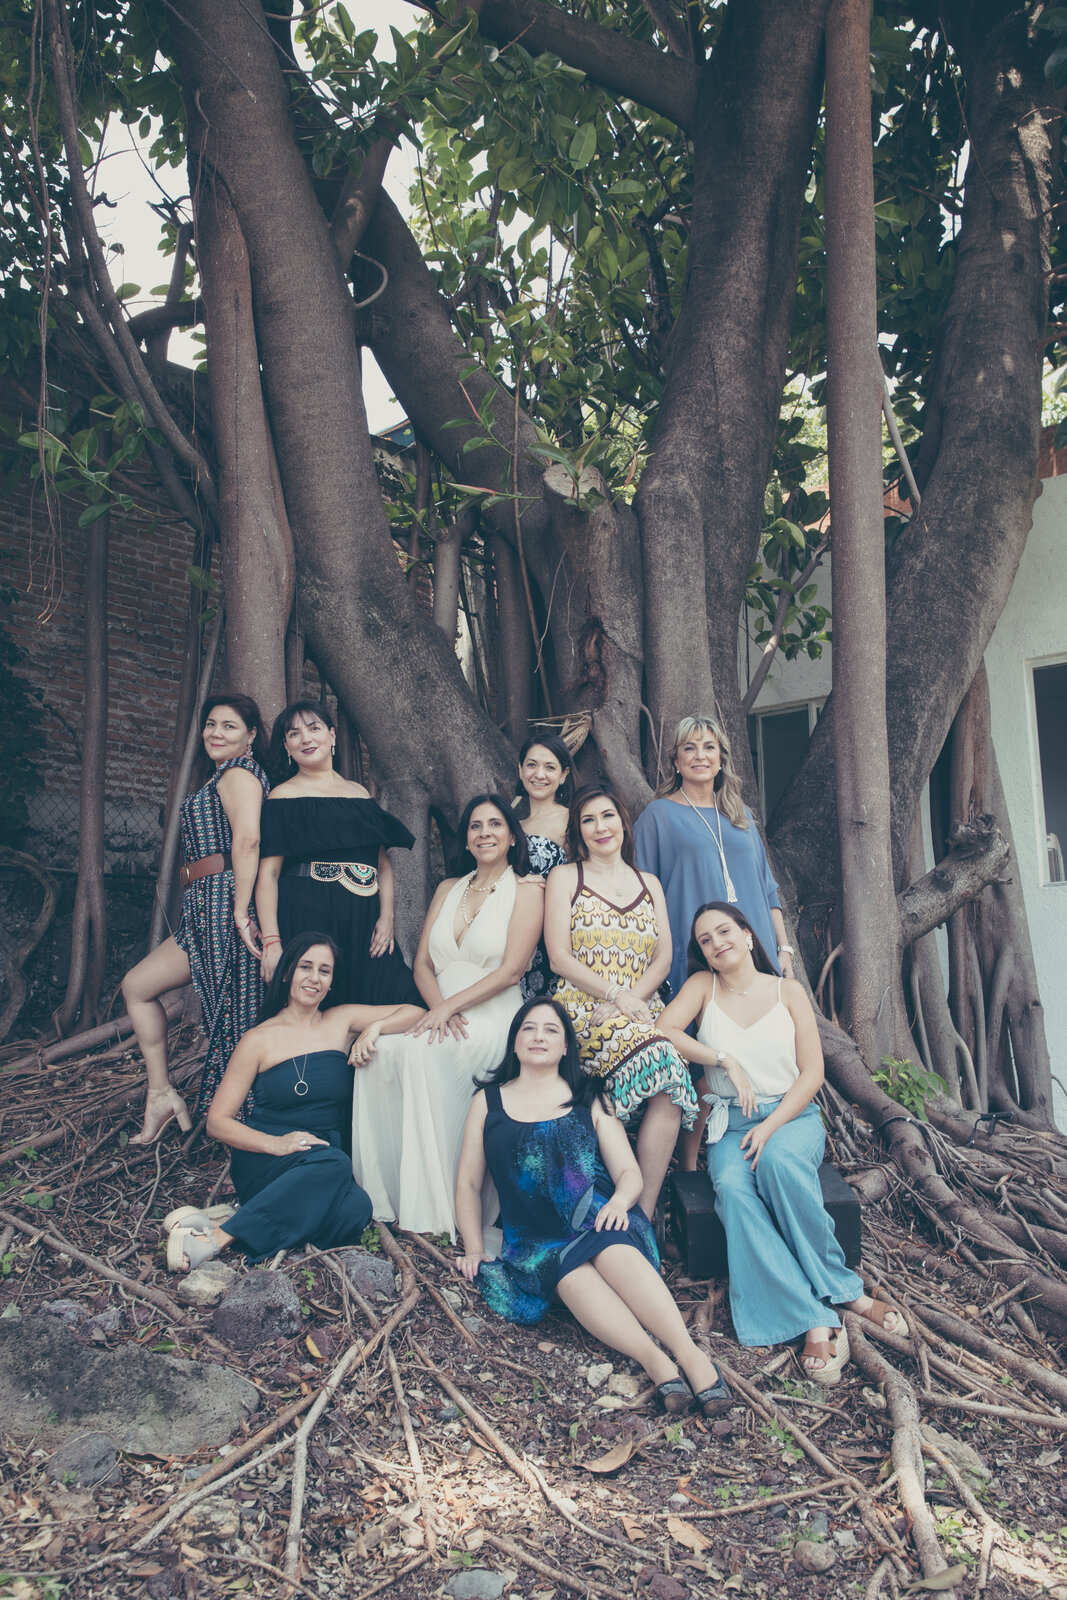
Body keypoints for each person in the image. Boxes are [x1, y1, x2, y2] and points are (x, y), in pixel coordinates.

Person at [659, 903, 908, 1384]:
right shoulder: (701, 988)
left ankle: (845, 1290)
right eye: (705, 940)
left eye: (724, 931)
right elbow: (663, 1030)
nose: (717, 943)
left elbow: (812, 1074)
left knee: (776, 1164)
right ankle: (810, 1315)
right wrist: (722, 1059)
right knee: (731, 1187)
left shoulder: (787, 991)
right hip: (732, 1122)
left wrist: (770, 1127)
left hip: (792, 1116)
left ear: (749, 936)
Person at [454, 998, 732, 1417]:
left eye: (550, 1030)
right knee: (569, 1276)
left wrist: (621, 1202)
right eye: (528, 1028)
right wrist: (474, 1247)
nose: (538, 1037)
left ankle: (689, 1356)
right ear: (514, 1043)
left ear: (566, 1046)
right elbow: (469, 1182)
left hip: (599, 1216)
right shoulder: (487, 1102)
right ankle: (655, 1363)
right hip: (536, 1239)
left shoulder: (589, 1096)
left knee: (613, 1249)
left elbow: (629, 1173)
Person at [166, 933, 425, 1272]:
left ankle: (243, 1217)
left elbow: (415, 1012)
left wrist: (375, 1027)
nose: (314, 978)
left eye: (324, 971)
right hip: (267, 1157)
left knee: (357, 1208)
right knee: (337, 1166)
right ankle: (218, 1235)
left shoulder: (341, 1021)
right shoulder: (258, 1039)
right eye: (306, 967)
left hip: (320, 1158)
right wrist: (276, 1144)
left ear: (332, 982)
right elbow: (218, 1121)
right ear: (287, 972)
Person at [350, 795, 544, 1238]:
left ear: (513, 835)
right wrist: (440, 1007)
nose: (485, 833)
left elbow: (513, 969)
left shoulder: (529, 890)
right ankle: (387, 1196)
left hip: (493, 1014)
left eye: (496, 825)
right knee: (379, 1053)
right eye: (475, 826)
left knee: (420, 1055)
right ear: (466, 838)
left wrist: (448, 1008)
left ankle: (437, 1205)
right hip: (442, 1010)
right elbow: (422, 965)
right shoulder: (446, 888)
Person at [634, 715, 794, 1168]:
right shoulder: (659, 815)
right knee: (700, 1064)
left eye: (709, 748)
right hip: (697, 954)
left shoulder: (741, 819)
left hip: (755, 952)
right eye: (690, 749)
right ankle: (690, 1168)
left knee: (761, 1044)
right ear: (676, 760)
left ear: (722, 758)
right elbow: (647, 892)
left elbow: (768, 890)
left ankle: (762, 1145)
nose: (700, 756)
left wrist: (783, 951)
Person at [544, 784, 698, 1222]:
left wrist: (632, 999)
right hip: (582, 1008)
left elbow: (665, 956)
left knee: (669, 1079)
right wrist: (613, 995)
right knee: (665, 1061)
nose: (600, 827)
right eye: (588, 820)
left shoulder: (648, 883)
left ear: (623, 823)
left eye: (607, 816)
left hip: (638, 1008)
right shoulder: (566, 878)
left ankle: (642, 1216)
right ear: (578, 830)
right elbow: (559, 956)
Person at [121, 693, 270, 1139]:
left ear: (251, 736)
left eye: (228, 726)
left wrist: (241, 911)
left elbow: (247, 841)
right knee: (137, 986)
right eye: (210, 724)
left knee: (237, 1015)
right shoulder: (222, 775)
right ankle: (161, 1095)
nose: (215, 733)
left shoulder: (240, 774)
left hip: (225, 901)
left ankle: (247, 1130)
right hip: (202, 908)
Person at [255, 701, 421, 1009]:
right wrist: (272, 942)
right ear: (287, 746)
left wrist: (387, 918)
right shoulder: (282, 797)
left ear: (332, 737)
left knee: (403, 1000)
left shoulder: (359, 794)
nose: (306, 738)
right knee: (317, 1006)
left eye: (314, 729)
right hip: (307, 918)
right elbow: (268, 874)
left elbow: (382, 866)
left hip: (366, 924)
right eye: (294, 733)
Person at [512, 731, 572, 1001]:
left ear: (563, 775)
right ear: (520, 770)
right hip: (510, 937)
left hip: (551, 940)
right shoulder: (512, 826)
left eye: (550, 767)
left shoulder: (570, 821)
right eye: (532, 765)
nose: (539, 774)